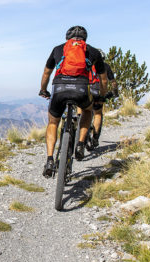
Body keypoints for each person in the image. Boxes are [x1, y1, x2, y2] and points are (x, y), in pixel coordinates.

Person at [39, 26, 108, 178]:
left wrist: (43, 90)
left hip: (59, 88)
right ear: (85, 39)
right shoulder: (93, 51)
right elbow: (103, 79)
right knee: (88, 110)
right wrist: (101, 96)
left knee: (53, 122)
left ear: (67, 38)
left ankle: (50, 160)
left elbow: (46, 73)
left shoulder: (58, 49)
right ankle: (81, 144)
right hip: (81, 89)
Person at [86, 60, 117, 150]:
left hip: (85, 90)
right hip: (97, 92)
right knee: (98, 114)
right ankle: (95, 138)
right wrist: (115, 92)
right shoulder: (105, 66)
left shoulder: (86, 64)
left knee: (82, 109)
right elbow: (113, 82)